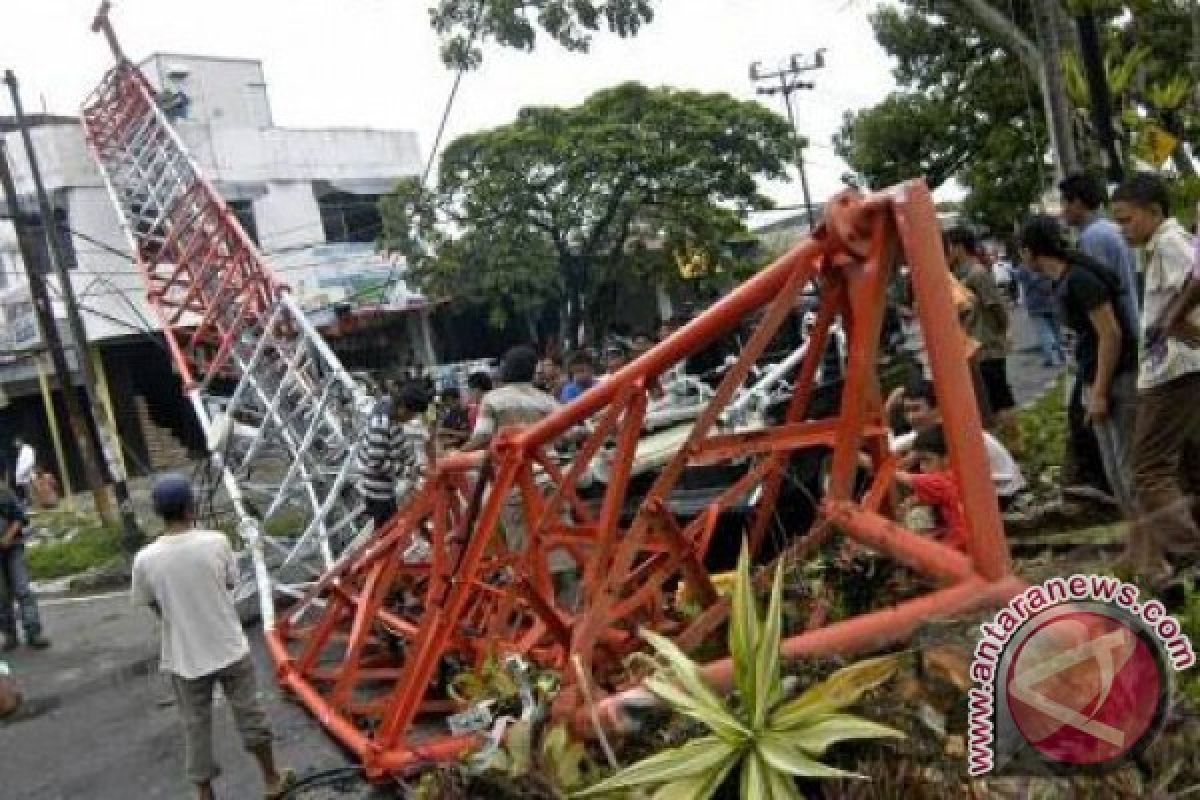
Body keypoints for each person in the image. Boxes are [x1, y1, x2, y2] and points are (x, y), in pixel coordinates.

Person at [132, 474, 294, 800]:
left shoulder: (145, 559)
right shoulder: (216, 542)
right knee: (251, 714)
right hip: (229, 647)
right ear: (191, 507)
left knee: (195, 726)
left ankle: (205, 794)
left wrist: (179, 617)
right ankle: (271, 779)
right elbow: (230, 583)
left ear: (158, 513)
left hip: (184, 657)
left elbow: (152, 603)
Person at [1020, 215, 1139, 518]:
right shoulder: (1063, 281)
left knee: (1128, 468)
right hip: (1092, 377)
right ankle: (1139, 538)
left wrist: (1099, 392)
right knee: (1113, 467)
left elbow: (1110, 334)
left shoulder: (1080, 280)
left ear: (1030, 251)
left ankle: (1155, 543)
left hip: (1115, 379)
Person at [1112, 172, 1200, 583]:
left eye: (1127, 219)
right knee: (1178, 465)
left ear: (1155, 212)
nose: (1122, 228)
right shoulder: (1160, 244)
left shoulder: (1169, 241)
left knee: (1148, 469)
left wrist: (1173, 320)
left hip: (1173, 371)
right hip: (1173, 367)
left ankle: (1188, 554)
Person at [887, 378, 1027, 510]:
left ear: (937, 408)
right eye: (907, 410)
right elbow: (889, 447)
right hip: (988, 490)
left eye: (916, 409)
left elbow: (893, 458)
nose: (911, 417)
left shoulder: (951, 430)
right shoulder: (930, 430)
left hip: (1002, 494)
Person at [945, 227, 1016, 444]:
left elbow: (996, 307)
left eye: (948, 247)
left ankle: (1014, 445)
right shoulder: (957, 275)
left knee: (999, 398)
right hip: (972, 348)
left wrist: (1002, 331)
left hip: (987, 346)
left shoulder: (977, 273)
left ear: (958, 247)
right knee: (985, 401)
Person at [1060, 172, 1140, 322]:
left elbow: (1100, 294)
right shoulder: (1112, 228)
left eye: (1064, 203)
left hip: (1120, 325)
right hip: (1132, 316)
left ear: (1077, 203)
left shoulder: (1093, 237)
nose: (1062, 211)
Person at [356, 382, 430, 529]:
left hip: (384, 486)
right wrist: (410, 471)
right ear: (402, 406)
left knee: (387, 528)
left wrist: (415, 465)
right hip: (377, 489)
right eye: (411, 414)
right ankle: (378, 551)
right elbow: (376, 462)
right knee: (386, 530)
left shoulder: (392, 415)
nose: (411, 419)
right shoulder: (380, 423)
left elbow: (399, 442)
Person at [465, 345, 559, 453]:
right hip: (548, 463)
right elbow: (570, 432)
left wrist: (458, 453)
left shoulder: (492, 399)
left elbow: (482, 437)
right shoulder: (547, 399)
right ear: (532, 371)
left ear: (506, 369)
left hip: (511, 465)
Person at [895, 426, 969, 554]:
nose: (922, 467)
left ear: (947, 458)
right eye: (920, 461)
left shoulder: (939, 481)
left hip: (958, 547)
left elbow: (894, 474)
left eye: (926, 460)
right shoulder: (961, 475)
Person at [0, 470, 48, 651]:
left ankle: (33, 632)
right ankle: (9, 634)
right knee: (2, 596)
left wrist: (8, 537)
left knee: (22, 590)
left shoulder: (3, 492)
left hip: (12, 547)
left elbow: (20, 517)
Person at [1015, 261, 1066, 368]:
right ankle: (1061, 356)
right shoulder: (1048, 263)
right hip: (1052, 301)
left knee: (1044, 332)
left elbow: (1020, 283)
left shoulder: (1023, 267)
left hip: (1035, 303)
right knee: (1056, 330)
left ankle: (1053, 358)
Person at [13, 438, 34, 505]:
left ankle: (35, 504)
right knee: (26, 491)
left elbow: (30, 461)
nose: (16, 446)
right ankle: (30, 504)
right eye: (16, 445)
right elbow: (20, 465)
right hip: (23, 475)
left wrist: (24, 471)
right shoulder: (20, 451)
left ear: (21, 442)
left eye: (17, 443)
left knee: (31, 490)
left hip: (27, 473)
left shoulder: (28, 449)